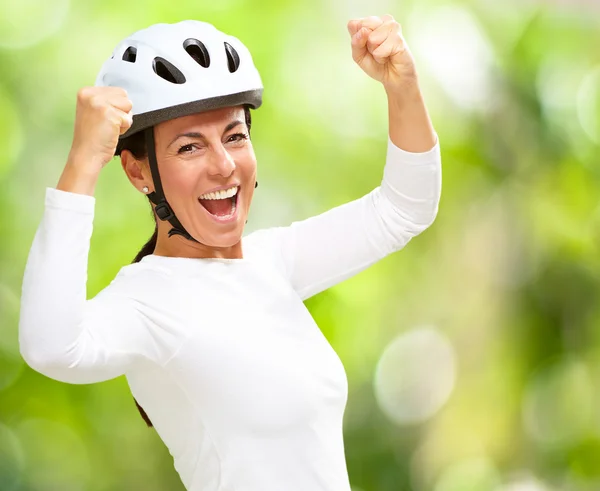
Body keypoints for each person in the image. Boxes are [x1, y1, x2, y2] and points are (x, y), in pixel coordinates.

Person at [18, 16, 441, 491]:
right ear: (139, 173)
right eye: (189, 146)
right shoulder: (144, 299)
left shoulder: (272, 262)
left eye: (235, 136)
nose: (223, 166)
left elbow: (404, 210)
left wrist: (402, 84)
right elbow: (50, 347)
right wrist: (83, 161)